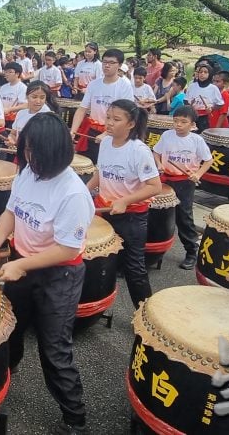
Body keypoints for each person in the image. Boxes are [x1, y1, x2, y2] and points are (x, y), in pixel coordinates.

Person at [0, 113, 92, 434]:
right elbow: (11, 212)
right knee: (9, 330)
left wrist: (20, 264)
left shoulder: (73, 193)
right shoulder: (28, 172)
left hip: (59, 275)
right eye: (27, 149)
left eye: (36, 151)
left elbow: (68, 249)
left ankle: (75, 416)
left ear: (57, 151)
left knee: (54, 348)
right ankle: (2, 382)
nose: (30, 157)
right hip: (22, 263)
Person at [88, 100, 162, 305]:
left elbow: (154, 186)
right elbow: (100, 173)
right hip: (106, 210)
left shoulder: (139, 151)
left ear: (131, 124)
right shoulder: (105, 143)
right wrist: (84, 193)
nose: (109, 123)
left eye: (116, 119)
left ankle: (144, 316)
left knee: (134, 268)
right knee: (103, 259)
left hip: (131, 217)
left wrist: (125, 200)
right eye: (108, 117)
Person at [153, 105, 213, 269]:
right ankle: (154, 251)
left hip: (185, 182)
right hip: (165, 179)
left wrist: (198, 174)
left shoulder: (196, 140)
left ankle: (191, 252)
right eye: (176, 121)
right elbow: (156, 152)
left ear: (192, 124)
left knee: (184, 216)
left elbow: (208, 160)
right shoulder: (166, 135)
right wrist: (158, 164)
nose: (178, 124)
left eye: (183, 122)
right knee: (159, 214)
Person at [69, 48, 135, 162]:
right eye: (105, 62)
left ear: (119, 65)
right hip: (92, 130)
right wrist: (73, 131)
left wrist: (106, 134)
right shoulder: (94, 84)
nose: (107, 66)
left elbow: (126, 115)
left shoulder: (125, 85)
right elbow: (82, 109)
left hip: (114, 132)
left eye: (111, 63)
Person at [8, 81, 59, 146]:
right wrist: (11, 139)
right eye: (34, 97)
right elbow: (13, 133)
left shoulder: (48, 116)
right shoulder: (21, 113)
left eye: (42, 97)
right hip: (21, 153)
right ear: (27, 96)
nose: (38, 101)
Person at [185, 63, 224, 132]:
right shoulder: (192, 86)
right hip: (191, 116)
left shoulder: (213, 88)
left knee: (202, 135)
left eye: (205, 72)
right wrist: (189, 106)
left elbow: (220, 104)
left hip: (205, 117)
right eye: (200, 72)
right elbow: (185, 100)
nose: (202, 74)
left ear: (210, 74)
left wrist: (211, 108)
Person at [0, 62, 29, 128]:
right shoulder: (3, 87)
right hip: (2, 118)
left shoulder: (22, 88)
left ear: (17, 74)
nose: (7, 74)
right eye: (5, 72)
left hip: (15, 120)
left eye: (10, 72)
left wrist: (9, 109)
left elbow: (25, 105)